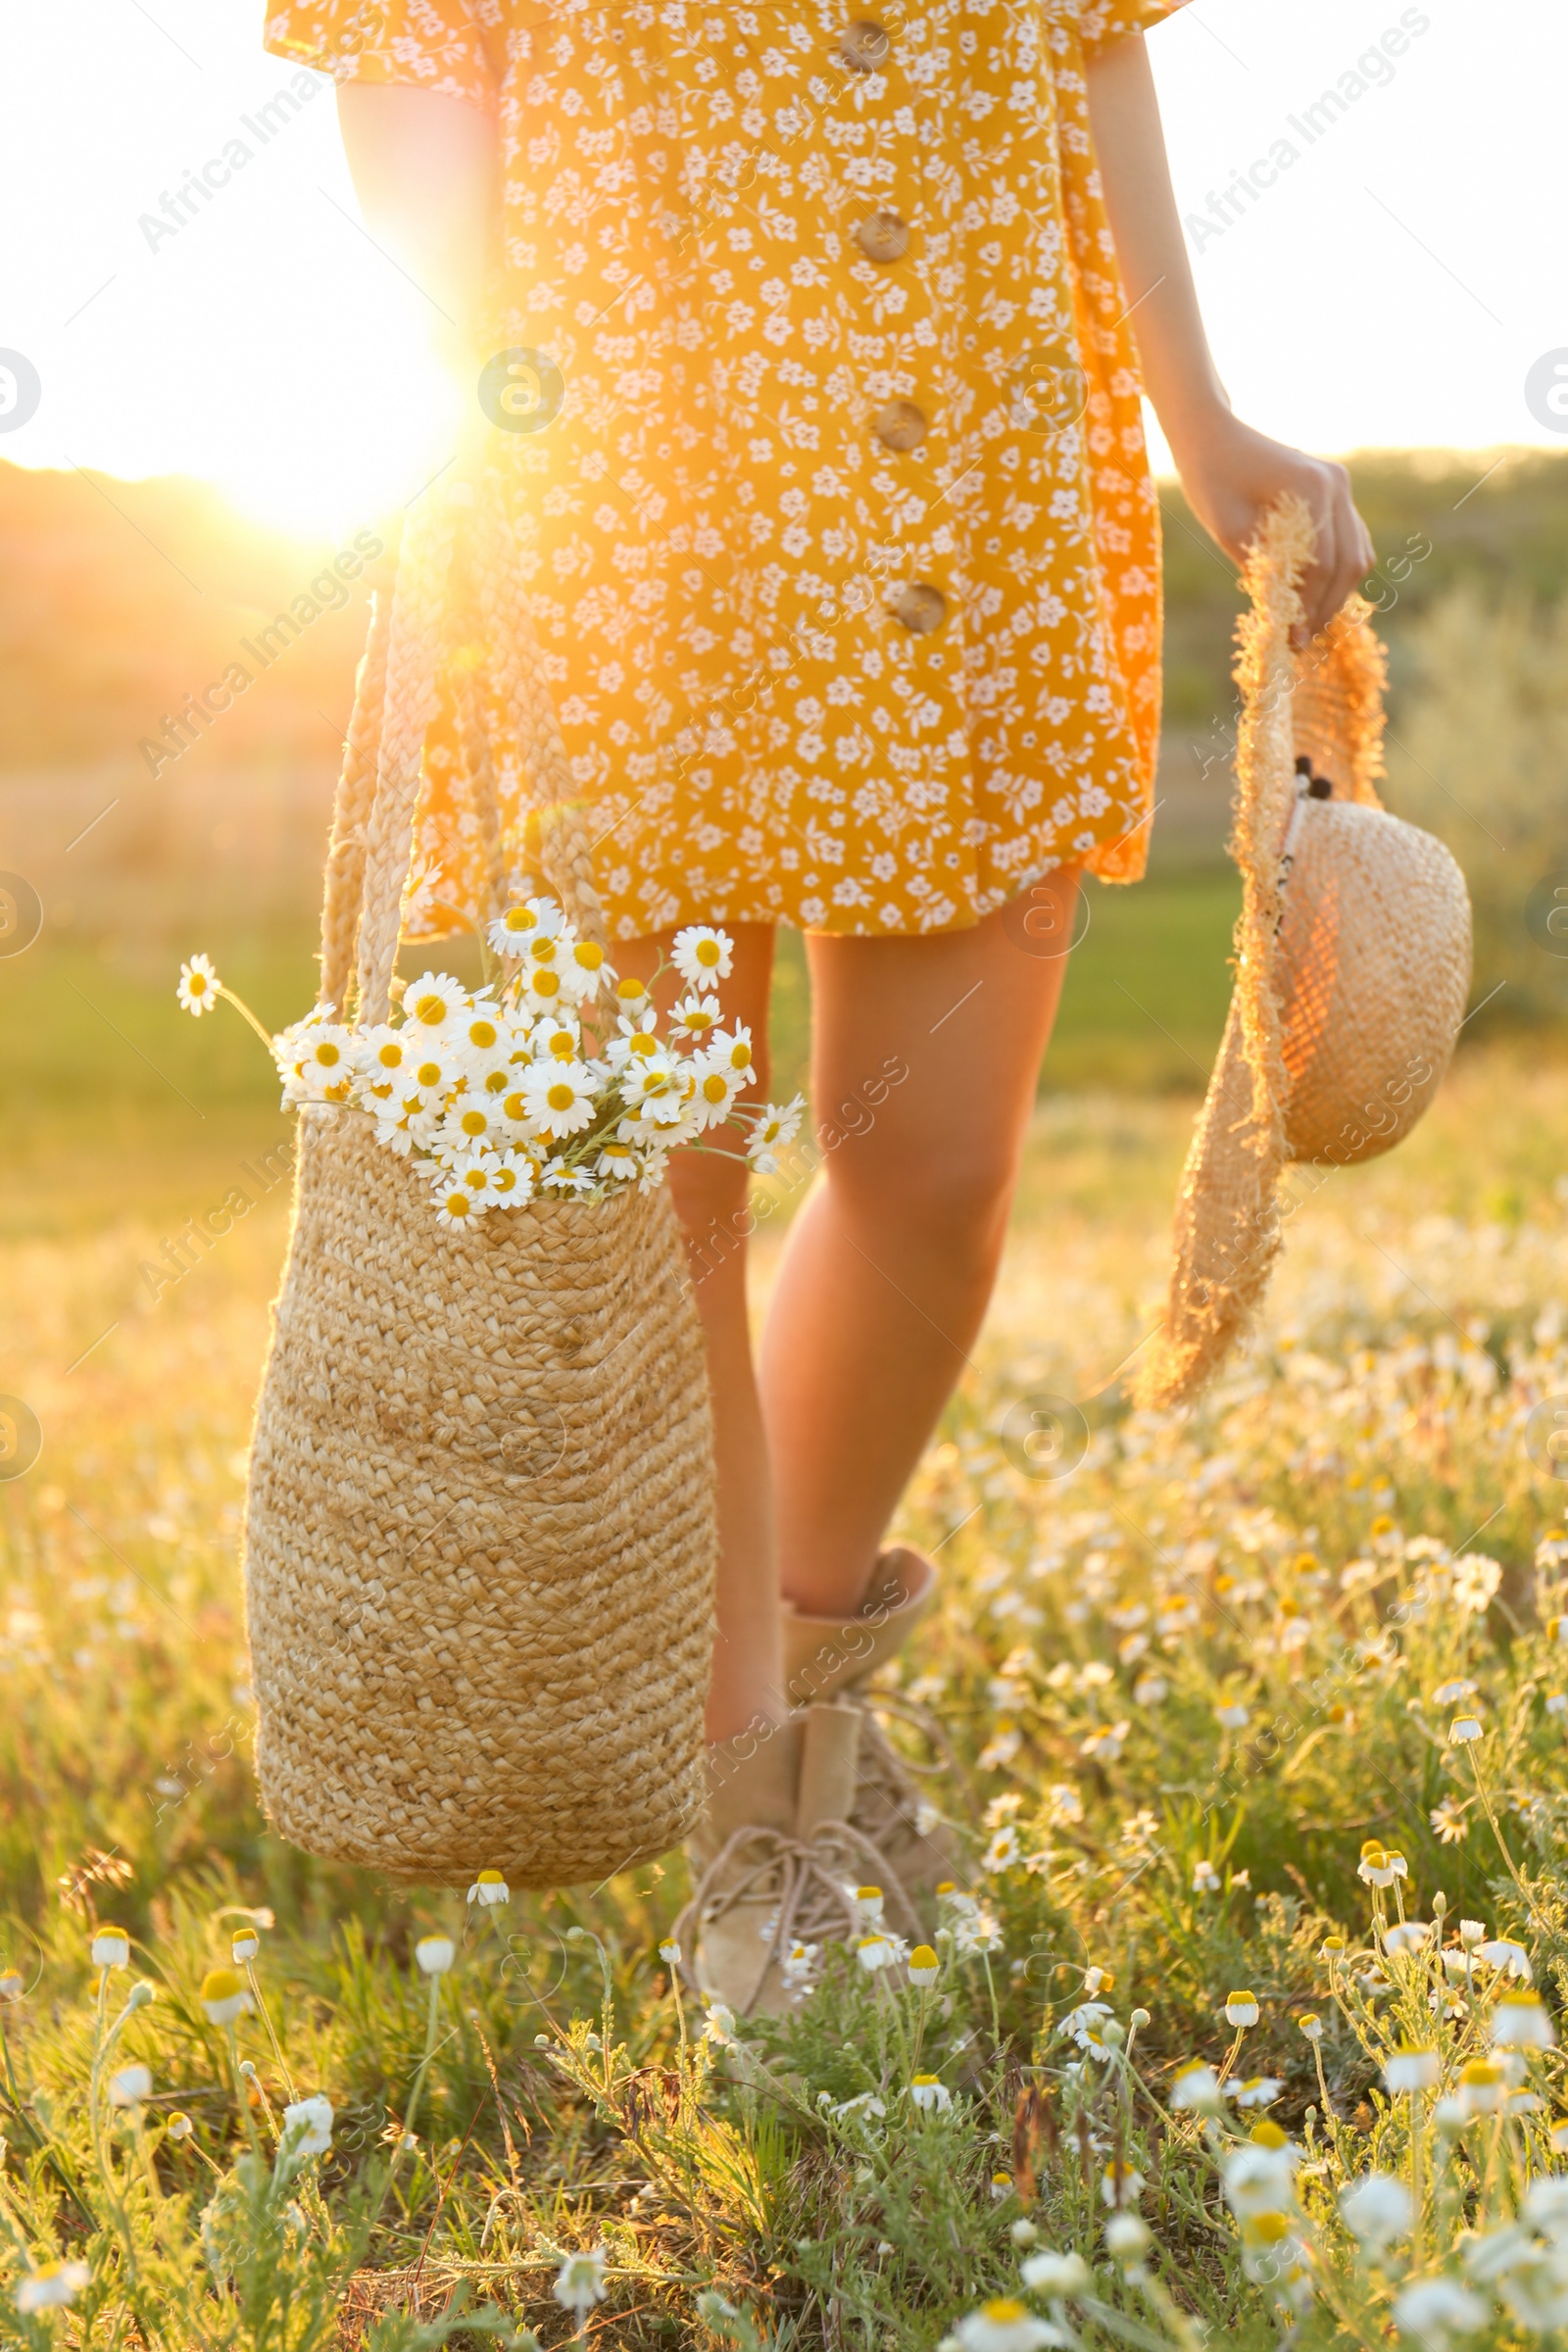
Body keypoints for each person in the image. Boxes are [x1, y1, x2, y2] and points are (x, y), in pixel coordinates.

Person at [264, 0, 1374, 2008]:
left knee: (934, 1175)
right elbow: (398, 50)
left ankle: (795, 1701)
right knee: (666, 1182)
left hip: (982, 464)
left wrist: (1192, 416)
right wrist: (463, 388)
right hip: (614, 483)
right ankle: (753, 1807)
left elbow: (1090, 40)